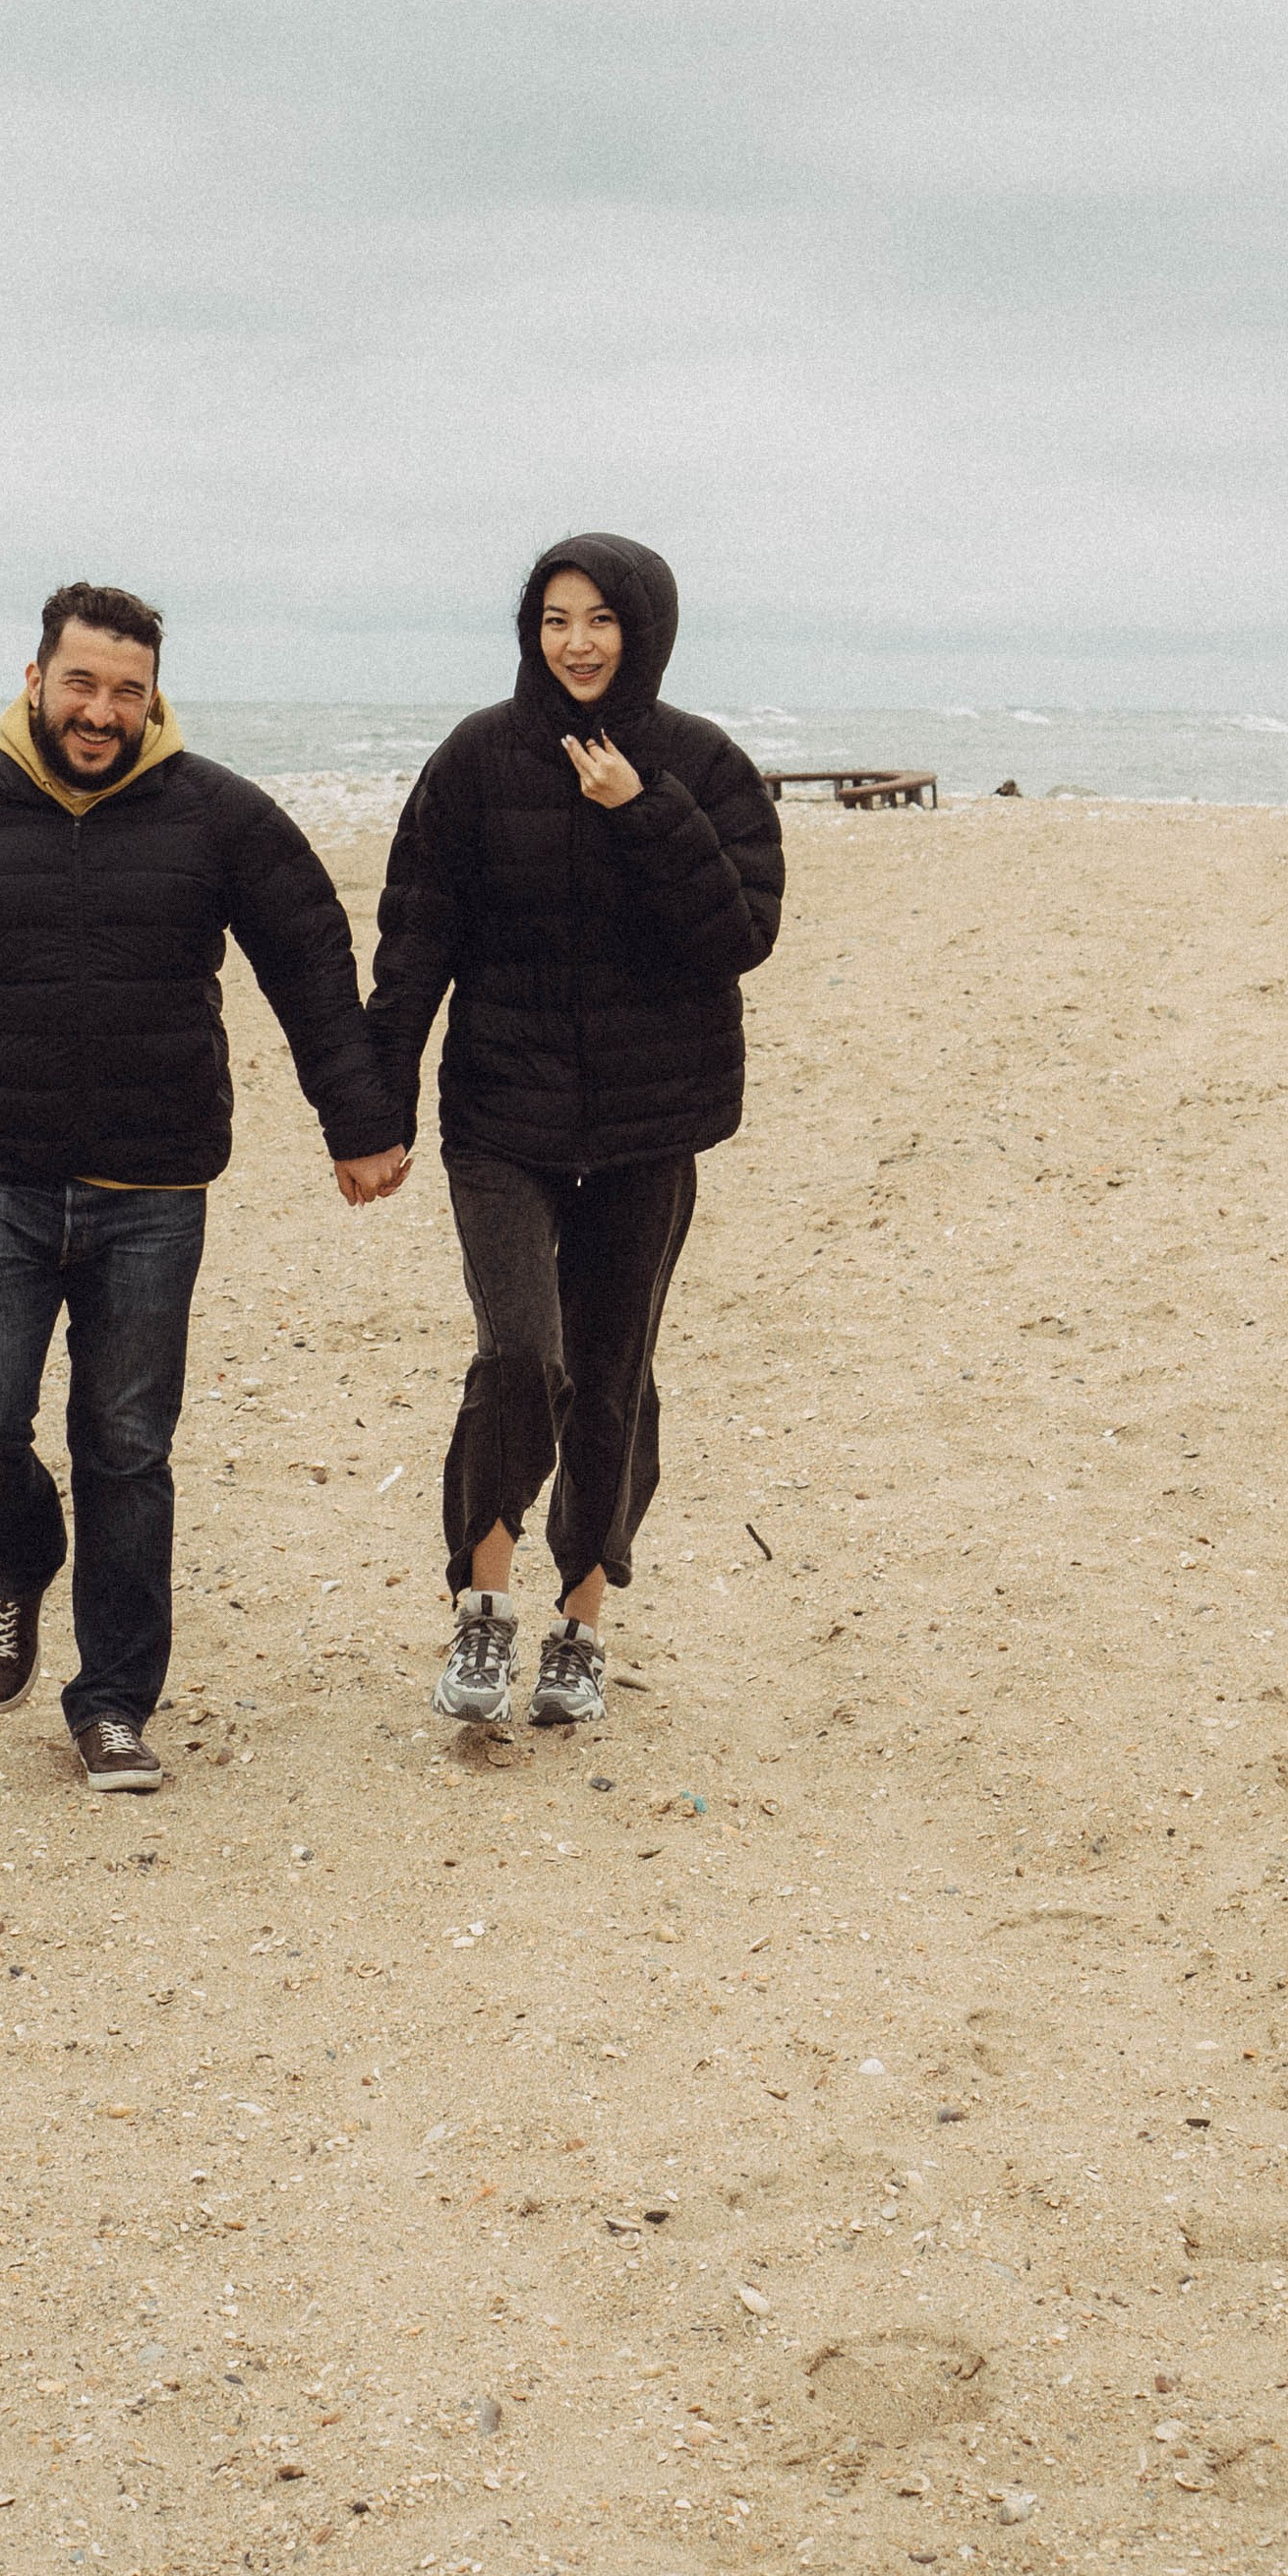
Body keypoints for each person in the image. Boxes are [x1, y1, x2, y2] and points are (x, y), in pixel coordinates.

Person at [0, 581, 409, 1796]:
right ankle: (19, 1568)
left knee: (126, 1447)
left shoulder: (219, 816)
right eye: (81, 682)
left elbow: (312, 964)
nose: (102, 709)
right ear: (35, 680)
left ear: (153, 695)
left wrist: (361, 1121)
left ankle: (113, 1703)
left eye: (128, 689)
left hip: (153, 1187)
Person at [366, 534, 784, 1730]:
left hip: (652, 1127)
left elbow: (739, 935)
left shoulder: (701, 764)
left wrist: (645, 811)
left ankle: (581, 1628)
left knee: (609, 1377)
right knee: (518, 1355)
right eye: (554, 619)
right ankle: (484, 1615)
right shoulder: (477, 759)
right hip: (501, 1116)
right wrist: (374, 1111)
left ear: (642, 627)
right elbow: (412, 944)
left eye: (600, 618)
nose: (577, 642)